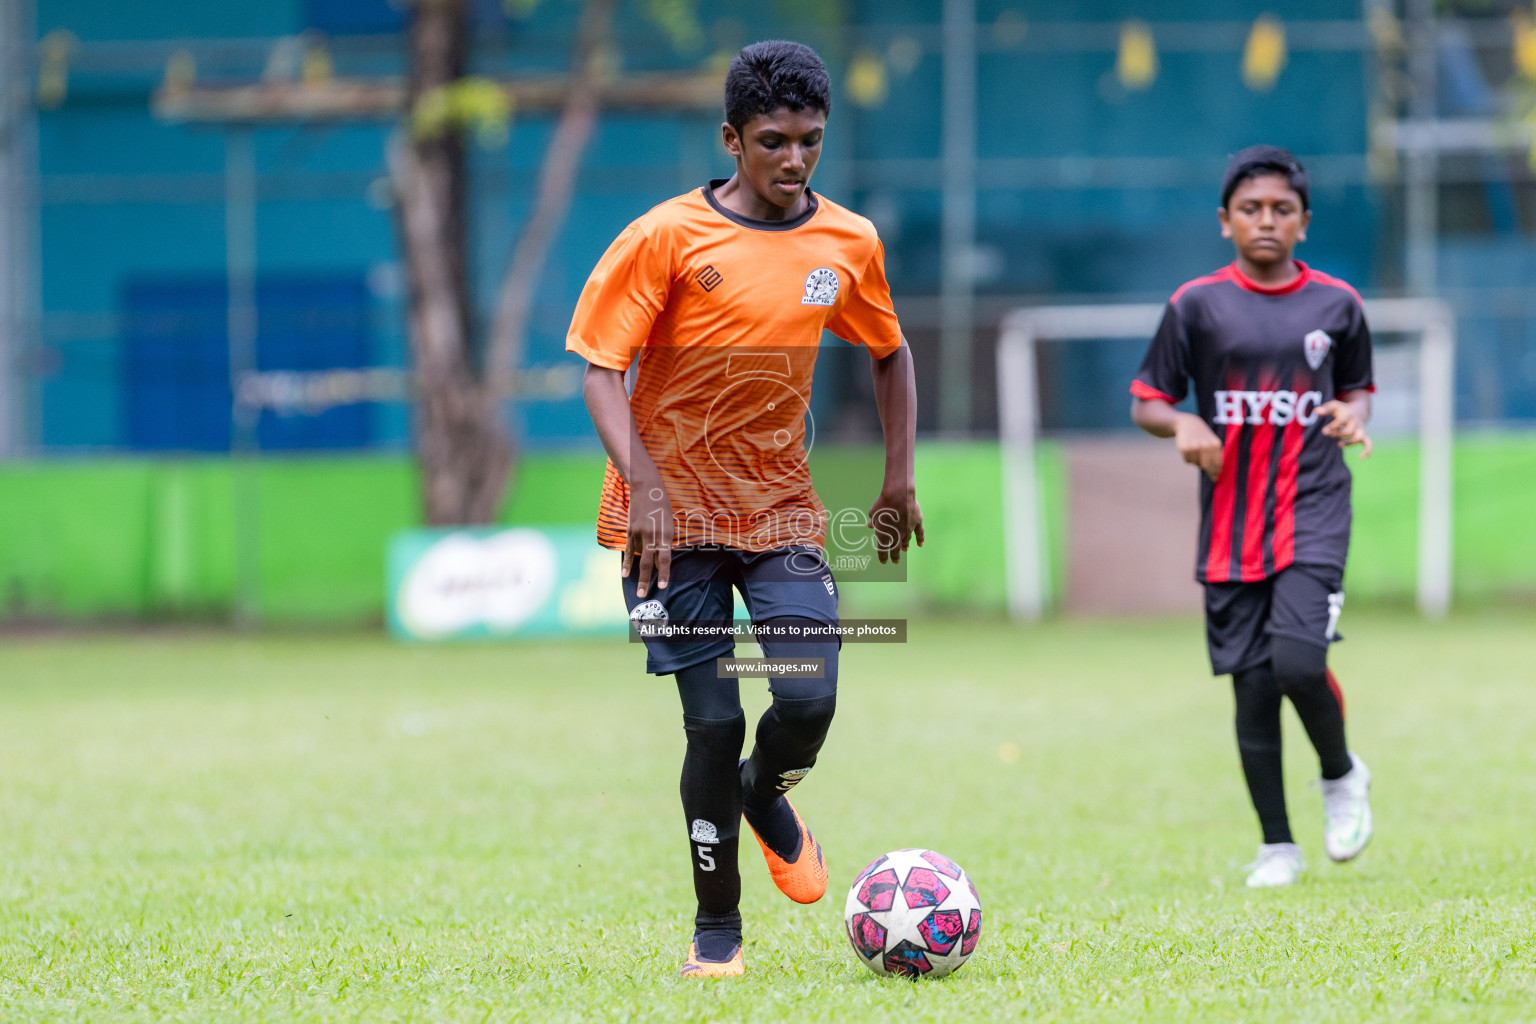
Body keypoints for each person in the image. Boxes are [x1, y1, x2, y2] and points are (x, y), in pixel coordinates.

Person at [566, 40, 922, 975]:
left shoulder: (847, 241)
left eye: (810, 140)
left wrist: (897, 477)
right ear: (732, 138)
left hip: (779, 514)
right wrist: (642, 483)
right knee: (713, 722)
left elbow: (888, 350)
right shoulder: (666, 237)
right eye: (773, 141)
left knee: (808, 696)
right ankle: (716, 932)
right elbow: (602, 371)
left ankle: (766, 794)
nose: (795, 159)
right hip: (667, 526)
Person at [1129, 145, 1375, 888]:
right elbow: (1148, 400)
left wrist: (1353, 414)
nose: (1266, 221)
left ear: (1303, 223)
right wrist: (1185, 427)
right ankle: (1278, 846)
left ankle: (1341, 774)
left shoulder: (1338, 304)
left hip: (1314, 508)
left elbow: (1360, 386)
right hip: (1233, 524)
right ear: (1225, 222)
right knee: (1253, 684)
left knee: (1299, 661)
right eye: (1250, 209)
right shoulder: (1196, 304)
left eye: (1281, 210)